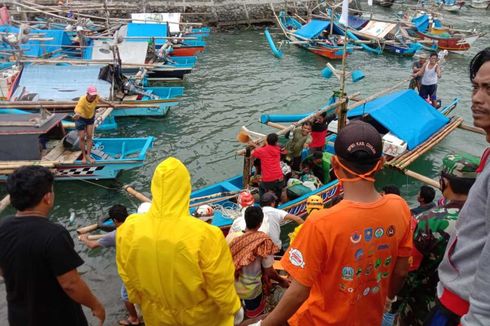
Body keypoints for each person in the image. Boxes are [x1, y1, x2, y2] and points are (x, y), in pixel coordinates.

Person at [256, 121, 413, 326]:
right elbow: (401, 271)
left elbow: (298, 293)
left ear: (336, 165)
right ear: (381, 163)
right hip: (369, 317)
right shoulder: (399, 207)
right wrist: (387, 298)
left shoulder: (320, 222)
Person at [116, 157, 242, 325]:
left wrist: (137, 299)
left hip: (157, 315)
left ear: (154, 187)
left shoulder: (128, 229)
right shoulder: (205, 234)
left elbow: (127, 273)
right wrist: (233, 307)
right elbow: (219, 283)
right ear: (185, 189)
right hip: (202, 318)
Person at [425, 47, 490, 326]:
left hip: (463, 309)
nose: (477, 99)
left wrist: (477, 319)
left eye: (489, 89)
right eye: (475, 87)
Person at [0, 166, 105, 326]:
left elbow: (3, 269)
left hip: (19, 315)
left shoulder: (3, 227)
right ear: (47, 198)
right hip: (57, 317)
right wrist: (95, 305)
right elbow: (70, 284)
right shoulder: (55, 234)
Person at [389, 153, 479, 326]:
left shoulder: (428, 221)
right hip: (465, 309)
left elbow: (406, 271)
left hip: (420, 307)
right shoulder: (482, 219)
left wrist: (392, 300)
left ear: (444, 182)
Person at [79, 204, 141, 326]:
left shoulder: (114, 235)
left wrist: (84, 238)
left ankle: (134, 319)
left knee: (125, 294)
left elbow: (92, 245)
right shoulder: (138, 224)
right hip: (144, 263)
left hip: (131, 269)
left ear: (114, 220)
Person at [230, 206, 279, 318]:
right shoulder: (263, 242)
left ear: (245, 219)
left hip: (233, 286)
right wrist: (281, 281)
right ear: (260, 223)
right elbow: (269, 272)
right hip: (252, 291)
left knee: (238, 313)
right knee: (254, 316)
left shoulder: (231, 237)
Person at [73, 86, 110, 164]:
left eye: (94, 95)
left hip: (90, 118)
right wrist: (76, 115)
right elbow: (78, 112)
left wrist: (109, 104)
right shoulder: (82, 100)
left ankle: (88, 155)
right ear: (87, 94)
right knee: (82, 138)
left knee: (89, 136)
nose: (93, 97)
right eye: (91, 95)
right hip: (81, 118)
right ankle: (83, 156)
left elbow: (100, 100)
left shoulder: (96, 97)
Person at [250, 133, 284, 199]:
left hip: (268, 180)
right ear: (276, 142)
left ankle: (263, 204)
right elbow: (265, 149)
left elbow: (253, 153)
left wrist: (253, 144)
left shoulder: (262, 151)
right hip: (280, 178)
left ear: (267, 141)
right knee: (278, 193)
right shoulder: (278, 149)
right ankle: (277, 204)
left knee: (261, 188)